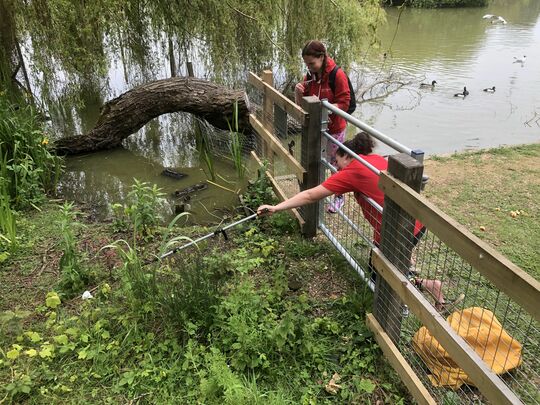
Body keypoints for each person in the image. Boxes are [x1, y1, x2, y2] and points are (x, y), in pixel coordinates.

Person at [258, 132, 463, 312]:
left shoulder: (353, 170)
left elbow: (312, 195)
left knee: (379, 275)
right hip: (412, 220)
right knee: (392, 263)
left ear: (347, 156)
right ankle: (415, 276)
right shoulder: (374, 159)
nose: (335, 168)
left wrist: (277, 207)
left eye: (337, 162)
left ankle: (412, 299)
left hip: (396, 229)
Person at [294, 40, 351, 213]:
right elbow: (303, 106)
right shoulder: (311, 76)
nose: (309, 67)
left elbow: (345, 103)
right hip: (315, 128)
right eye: (306, 64)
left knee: (336, 164)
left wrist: (325, 108)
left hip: (334, 129)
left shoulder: (337, 75)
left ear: (322, 57)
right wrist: (298, 92)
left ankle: (339, 197)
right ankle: (314, 193)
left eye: (312, 63)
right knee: (314, 160)